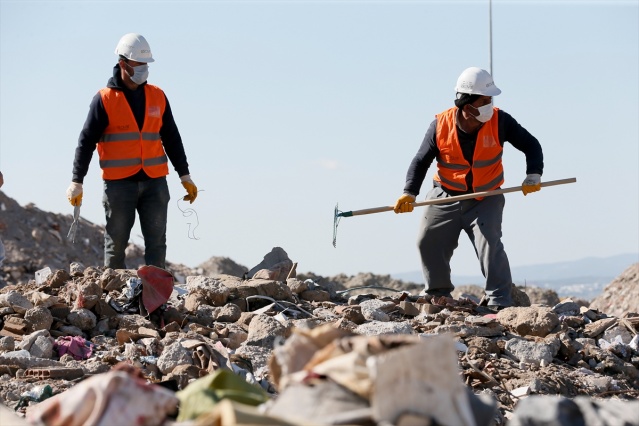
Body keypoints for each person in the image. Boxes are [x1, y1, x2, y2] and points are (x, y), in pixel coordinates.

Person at [393, 67, 544, 310]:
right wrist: (409, 192)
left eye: (490, 100)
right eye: (484, 101)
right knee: (427, 240)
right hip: (445, 193)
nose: (489, 105)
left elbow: (531, 145)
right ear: (467, 104)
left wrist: (533, 175)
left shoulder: (500, 120)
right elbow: (420, 160)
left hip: (487, 196)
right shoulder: (440, 125)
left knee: (489, 244)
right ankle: (438, 295)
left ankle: (499, 304)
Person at [66, 33, 197, 270]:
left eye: (145, 64)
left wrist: (184, 175)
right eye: (138, 64)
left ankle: (155, 298)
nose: (143, 69)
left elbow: (172, 138)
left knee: (157, 243)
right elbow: (86, 142)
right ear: (123, 63)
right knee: (115, 244)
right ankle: (113, 298)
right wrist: (77, 181)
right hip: (119, 185)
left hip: (155, 182)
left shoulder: (157, 95)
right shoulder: (104, 99)